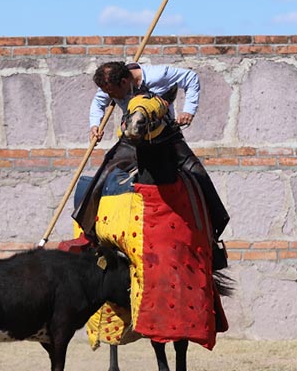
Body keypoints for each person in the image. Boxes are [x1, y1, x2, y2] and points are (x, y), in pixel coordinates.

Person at [73, 61, 230, 269]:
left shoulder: (159, 74)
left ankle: (213, 236)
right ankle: (89, 235)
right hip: (131, 140)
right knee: (104, 171)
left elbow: (191, 78)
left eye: (116, 93)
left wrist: (188, 110)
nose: (115, 98)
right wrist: (95, 124)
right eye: (111, 94)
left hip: (166, 136)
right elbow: (98, 102)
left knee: (198, 173)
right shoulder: (112, 86)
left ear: (125, 81)